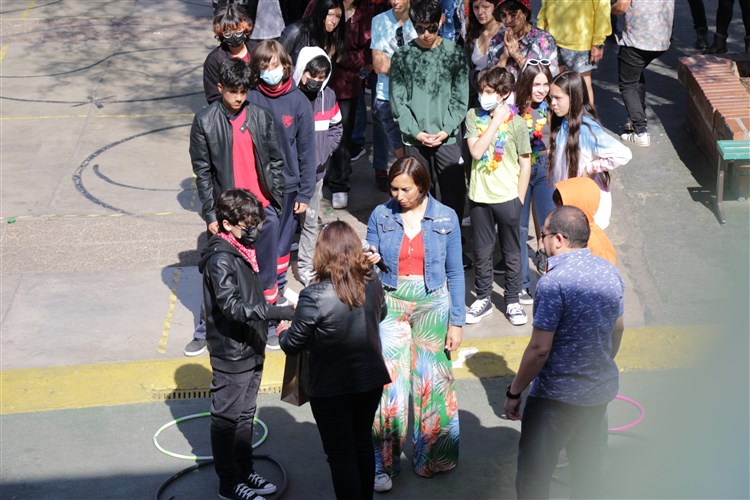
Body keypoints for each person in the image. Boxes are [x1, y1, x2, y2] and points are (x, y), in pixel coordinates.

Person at [504, 205, 625, 499]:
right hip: (597, 395)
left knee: (534, 479)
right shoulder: (609, 272)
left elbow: (539, 349)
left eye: (542, 235)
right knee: (587, 476)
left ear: (558, 239)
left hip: (554, 401)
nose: (540, 241)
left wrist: (514, 391)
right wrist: (601, 363)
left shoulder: (552, 283)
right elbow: (618, 329)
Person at [366, 157, 464, 492]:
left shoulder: (446, 217)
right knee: (388, 384)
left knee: (433, 382)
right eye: (394, 189)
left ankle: (433, 458)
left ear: (422, 186)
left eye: (405, 189)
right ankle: (382, 464)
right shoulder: (380, 215)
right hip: (391, 301)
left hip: (433, 302)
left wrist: (457, 322)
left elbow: (455, 272)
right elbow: (369, 264)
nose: (398, 196)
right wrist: (370, 259)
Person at [280, 221, 390, 500]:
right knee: (362, 443)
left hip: (331, 387)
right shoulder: (372, 282)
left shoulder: (314, 295)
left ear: (323, 252)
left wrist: (282, 330)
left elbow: (293, 344)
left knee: (340, 454)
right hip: (370, 380)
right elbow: (382, 313)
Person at [186, 58, 286, 357]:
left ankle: (268, 323)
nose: (239, 97)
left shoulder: (261, 117)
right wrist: (211, 214)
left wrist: (275, 201)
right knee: (220, 275)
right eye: (233, 91)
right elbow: (203, 173)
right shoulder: (204, 121)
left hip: (262, 210)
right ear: (220, 88)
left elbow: (276, 160)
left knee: (266, 273)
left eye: (243, 91)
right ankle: (206, 329)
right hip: (228, 216)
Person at [201, 189, 295, 500]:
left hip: (251, 343)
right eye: (248, 225)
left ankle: (244, 470)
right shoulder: (221, 259)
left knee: (245, 414)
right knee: (227, 419)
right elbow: (232, 307)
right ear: (227, 224)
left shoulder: (243, 249)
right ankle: (229, 483)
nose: (254, 231)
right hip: (232, 350)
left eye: (257, 224)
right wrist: (279, 312)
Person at [247, 41, 316, 330]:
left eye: (274, 65)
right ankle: (264, 292)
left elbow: (307, 151)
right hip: (258, 186)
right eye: (264, 66)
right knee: (262, 240)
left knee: (284, 239)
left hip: (289, 186)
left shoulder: (298, 101)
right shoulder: (251, 97)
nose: (270, 71)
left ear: (285, 65)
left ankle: (278, 285)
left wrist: (305, 192)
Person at [390, 0, 469, 222]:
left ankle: (452, 235)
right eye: (420, 28)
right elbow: (398, 102)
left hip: (447, 136)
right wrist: (415, 132)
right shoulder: (403, 56)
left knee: (454, 193)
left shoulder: (454, 53)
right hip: (414, 138)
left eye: (431, 28)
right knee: (418, 194)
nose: (426, 34)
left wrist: (446, 130)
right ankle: (422, 236)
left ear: (441, 21)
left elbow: (460, 97)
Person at [464, 67, 531, 326]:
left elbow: (525, 164)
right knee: (482, 252)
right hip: (480, 197)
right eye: (482, 91)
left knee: (511, 251)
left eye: (489, 91)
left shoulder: (518, 124)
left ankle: (512, 300)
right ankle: (483, 298)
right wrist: (494, 122)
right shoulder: (473, 116)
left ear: (504, 94)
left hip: (508, 197)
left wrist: (519, 200)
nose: (484, 96)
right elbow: (477, 152)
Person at [304, 0, 373, 209]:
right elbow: (305, 31)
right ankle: (313, 176)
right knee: (312, 133)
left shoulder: (364, 11)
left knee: (342, 136)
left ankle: (339, 182)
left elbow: (368, 54)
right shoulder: (318, 4)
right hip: (313, 84)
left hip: (346, 86)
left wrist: (340, 55)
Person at [548, 70, 632, 230]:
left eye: (558, 98)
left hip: (586, 206)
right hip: (569, 199)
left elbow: (623, 154)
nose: (552, 103)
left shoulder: (586, 130)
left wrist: (591, 169)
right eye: (551, 97)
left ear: (573, 98)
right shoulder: (562, 122)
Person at [291, 47, 343, 285]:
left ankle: (305, 266)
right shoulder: (290, 97)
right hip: (290, 174)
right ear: (301, 71)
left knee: (310, 221)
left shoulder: (328, 97)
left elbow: (336, 127)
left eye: (322, 77)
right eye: (312, 75)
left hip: (316, 174)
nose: (316, 81)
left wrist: (324, 151)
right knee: (285, 222)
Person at [513, 61, 556, 305]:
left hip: (544, 168)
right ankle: (522, 284)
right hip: (520, 170)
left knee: (551, 224)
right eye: (536, 84)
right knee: (519, 227)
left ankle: (555, 278)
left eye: (545, 84)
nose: (541, 89)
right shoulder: (514, 109)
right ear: (526, 84)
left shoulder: (553, 107)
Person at [613, 0, 674, 148]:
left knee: (628, 85)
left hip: (637, 42)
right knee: (635, 74)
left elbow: (621, 6)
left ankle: (640, 133)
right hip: (661, 40)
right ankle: (636, 119)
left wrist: (606, 10)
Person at [370, 0, 418, 184]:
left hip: (416, 98)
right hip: (386, 96)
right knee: (401, 154)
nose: (395, 1)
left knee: (416, 152)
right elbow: (379, 66)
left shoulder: (420, 19)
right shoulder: (379, 21)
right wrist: (410, 69)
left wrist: (392, 63)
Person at [538, 0, 611, 105]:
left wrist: (598, 42)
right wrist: (540, 28)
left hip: (580, 43)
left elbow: (602, 10)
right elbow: (546, 3)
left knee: (582, 86)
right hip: (552, 38)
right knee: (555, 83)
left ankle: (586, 115)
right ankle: (558, 114)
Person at [487, 0, 559, 81]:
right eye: (503, 15)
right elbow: (490, 82)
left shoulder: (544, 40)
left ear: (525, 13)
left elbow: (549, 79)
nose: (508, 21)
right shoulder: (496, 41)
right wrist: (504, 57)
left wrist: (517, 55)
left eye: (513, 15)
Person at [553, 177, 616, 264]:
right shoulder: (570, 230)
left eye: (561, 209)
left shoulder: (596, 244)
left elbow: (604, 270)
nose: (556, 214)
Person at [204, 4, 255, 105]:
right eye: (228, 32)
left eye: (238, 30)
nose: (233, 35)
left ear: (245, 28)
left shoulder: (256, 51)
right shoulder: (214, 60)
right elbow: (213, 96)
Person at [279, 0, 346, 64]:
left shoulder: (334, 37)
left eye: (338, 16)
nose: (334, 21)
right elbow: (277, 58)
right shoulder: (295, 31)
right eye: (330, 14)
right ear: (321, 12)